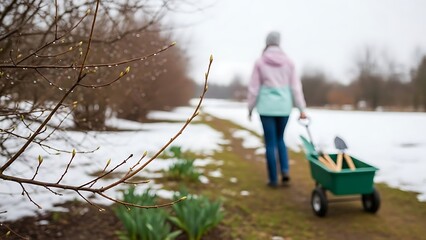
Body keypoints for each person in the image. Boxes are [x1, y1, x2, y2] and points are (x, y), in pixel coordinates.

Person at [247, 31, 307, 187]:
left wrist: (250, 107)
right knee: (280, 139)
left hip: (266, 108)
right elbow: (296, 87)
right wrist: (301, 108)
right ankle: (285, 170)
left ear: (267, 42)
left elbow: (254, 88)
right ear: (279, 42)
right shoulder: (289, 63)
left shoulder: (260, 62)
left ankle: (273, 179)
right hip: (284, 107)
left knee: (270, 143)